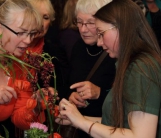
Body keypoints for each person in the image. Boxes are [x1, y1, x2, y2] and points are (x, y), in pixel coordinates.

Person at [56, 0, 161, 138]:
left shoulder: (140, 67)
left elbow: (142, 135)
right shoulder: (132, 64)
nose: (99, 42)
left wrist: (82, 122)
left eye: (101, 33)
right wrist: (75, 121)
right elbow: (116, 125)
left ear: (121, 29)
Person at [0, 0, 45, 137]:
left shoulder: (23, 65)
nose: (27, 41)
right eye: (21, 33)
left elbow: (20, 119)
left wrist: (35, 106)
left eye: (32, 34)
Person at [59, 0, 116, 137]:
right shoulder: (78, 47)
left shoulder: (115, 51)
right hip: (78, 130)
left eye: (90, 23)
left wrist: (99, 93)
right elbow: (68, 84)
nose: (83, 29)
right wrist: (71, 96)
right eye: (79, 22)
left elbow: (126, 101)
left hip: (108, 130)